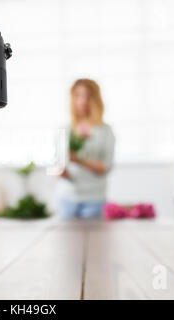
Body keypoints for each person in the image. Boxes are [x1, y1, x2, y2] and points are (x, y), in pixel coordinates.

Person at [58, 79, 115, 218]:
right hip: (67, 198)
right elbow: (57, 167)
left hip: (94, 200)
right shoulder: (64, 130)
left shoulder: (105, 131)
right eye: (78, 95)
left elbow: (106, 167)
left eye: (88, 95)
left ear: (95, 99)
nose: (83, 100)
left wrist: (78, 160)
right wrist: (60, 171)